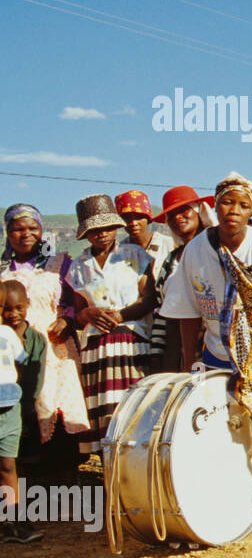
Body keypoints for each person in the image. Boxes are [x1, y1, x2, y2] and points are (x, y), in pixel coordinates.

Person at [159, 173, 252, 529]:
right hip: (216, 353)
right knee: (219, 429)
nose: (234, 212)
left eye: (243, 205)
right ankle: (227, 497)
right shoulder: (196, 250)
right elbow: (188, 312)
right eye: (227, 203)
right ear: (214, 205)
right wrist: (187, 366)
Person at [0, 205, 91, 479]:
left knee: (57, 404)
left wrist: (68, 320)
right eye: (18, 229)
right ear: (8, 233)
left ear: (41, 231)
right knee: (23, 403)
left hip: (55, 346)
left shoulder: (59, 263)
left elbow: (76, 299)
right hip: (12, 347)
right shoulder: (2, 269)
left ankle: (61, 473)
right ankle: (28, 474)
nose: (25, 234)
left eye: (32, 228)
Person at [67, 195, 156, 459]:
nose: (102, 234)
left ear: (116, 228)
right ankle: (110, 481)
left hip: (131, 342)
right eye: (95, 230)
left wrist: (120, 315)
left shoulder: (134, 255)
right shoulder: (79, 267)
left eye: (107, 228)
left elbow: (149, 298)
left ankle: (136, 476)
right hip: (97, 348)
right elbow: (79, 313)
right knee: (106, 418)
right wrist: (89, 313)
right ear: (86, 234)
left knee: (133, 411)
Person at [150, 186, 217, 373]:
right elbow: (160, 310)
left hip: (210, 345)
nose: (177, 217)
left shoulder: (214, 251)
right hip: (174, 348)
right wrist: (157, 353)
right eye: (171, 215)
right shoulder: (170, 260)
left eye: (183, 210)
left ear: (198, 211)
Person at [115, 190, 176, 372]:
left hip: (168, 324)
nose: (133, 223)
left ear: (148, 218)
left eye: (138, 217)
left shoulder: (168, 244)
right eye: (127, 218)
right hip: (135, 328)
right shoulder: (118, 253)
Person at [0, 281, 39, 543]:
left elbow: (22, 365)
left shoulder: (7, 335)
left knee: (7, 465)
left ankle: (13, 520)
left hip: (8, 408)